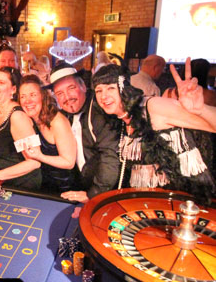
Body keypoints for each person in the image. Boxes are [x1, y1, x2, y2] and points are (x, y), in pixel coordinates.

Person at [92, 58, 216, 201]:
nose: (103, 96)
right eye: (98, 91)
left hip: (190, 200)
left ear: (124, 88)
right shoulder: (119, 120)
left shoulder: (153, 107)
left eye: (110, 88)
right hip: (155, 204)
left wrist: (201, 110)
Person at [50, 62, 120, 203]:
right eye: (60, 93)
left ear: (83, 86)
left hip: (108, 194)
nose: (67, 97)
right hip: (81, 189)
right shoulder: (62, 116)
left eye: (71, 88)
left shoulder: (100, 110)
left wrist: (93, 194)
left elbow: (110, 158)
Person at [0, 67, 41, 190]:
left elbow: (34, 161)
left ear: (13, 89)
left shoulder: (17, 117)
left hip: (23, 186)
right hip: (5, 184)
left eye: (1, 83)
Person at [19, 74, 77, 193]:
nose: (28, 101)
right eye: (23, 96)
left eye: (33, 95)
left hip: (65, 189)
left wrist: (40, 156)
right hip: (44, 186)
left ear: (43, 96)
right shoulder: (28, 121)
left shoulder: (57, 121)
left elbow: (69, 162)